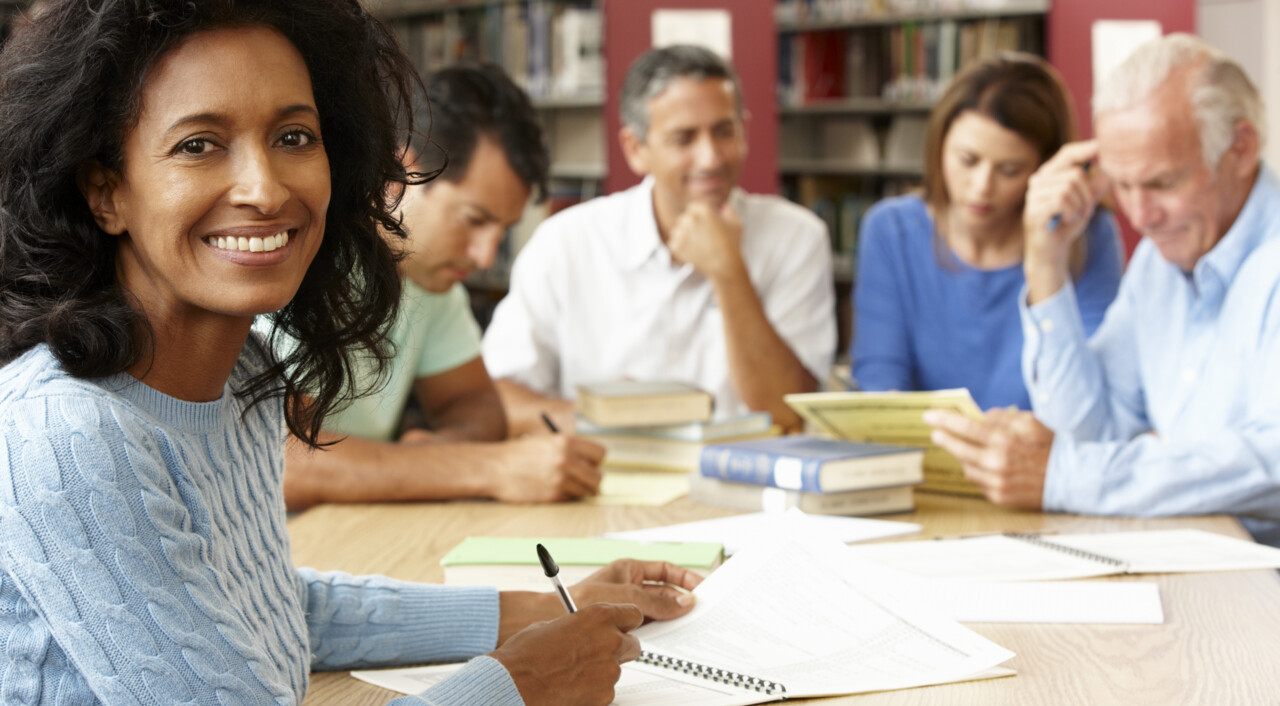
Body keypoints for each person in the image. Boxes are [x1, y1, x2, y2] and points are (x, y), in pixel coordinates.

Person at [0, 2, 700, 706]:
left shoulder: (242, 375)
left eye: (294, 136)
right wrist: (517, 684)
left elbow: (277, 606)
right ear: (105, 190)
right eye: (198, 145)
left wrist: (549, 606)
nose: (267, 189)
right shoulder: (70, 434)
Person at [923, 34, 1280, 544]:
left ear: (1240, 149)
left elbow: (1272, 463)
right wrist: (1045, 261)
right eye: (1121, 184)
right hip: (1181, 558)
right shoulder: (1161, 262)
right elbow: (1090, 429)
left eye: (1161, 183)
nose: (1139, 216)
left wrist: (1065, 474)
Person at [265, 64, 606, 510]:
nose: (486, 256)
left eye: (502, 229)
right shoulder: (297, 261)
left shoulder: (431, 278)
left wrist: (432, 460)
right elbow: (280, 460)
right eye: (474, 220)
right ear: (397, 175)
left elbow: (478, 409)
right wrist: (481, 468)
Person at [482, 44, 836, 434]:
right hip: (604, 480)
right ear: (636, 150)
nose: (711, 158)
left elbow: (787, 416)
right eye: (684, 139)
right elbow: (497, 401)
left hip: (743, 480)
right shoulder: (566, 242)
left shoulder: (797, 237)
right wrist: (607, 415)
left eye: (724, 132)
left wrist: (729, 273)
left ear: (745, 131)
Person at [852, 52, 1124, 411]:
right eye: (967, 160)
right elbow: (879, 382)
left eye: (1009, 170)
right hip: (919, 456)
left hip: (1036, 461)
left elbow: (1088, 400)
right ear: (939, 146)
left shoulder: (1087, 236)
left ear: (1043, 170)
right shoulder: (891, 230)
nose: (981, 187)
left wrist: (1046, 259)